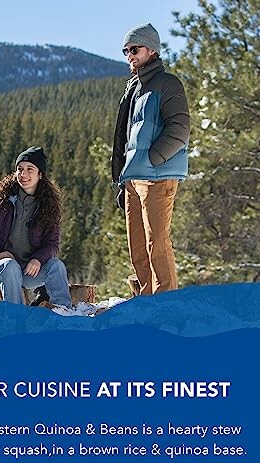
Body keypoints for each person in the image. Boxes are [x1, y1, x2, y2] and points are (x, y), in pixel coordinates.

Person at [111, 23, 190, 295]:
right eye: (126, 51)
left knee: (157, 243)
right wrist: (124, 175)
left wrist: (154, 160)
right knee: (138, 248)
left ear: (152, 50)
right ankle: (147, 304)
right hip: (133, 178)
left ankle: (166, 304)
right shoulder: (135, 88)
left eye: (135, 49)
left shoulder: (167, 84)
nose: (129, 55)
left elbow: (180, 129)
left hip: (156, 177)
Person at [0, 146, 72, 308]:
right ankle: (16, 318)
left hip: (27, 270)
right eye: (20, 169)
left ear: (40, 175)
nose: (23, 174)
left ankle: (64, 314)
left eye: (30, 169)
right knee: (9, 266)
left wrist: (38, 259)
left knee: (56, 266)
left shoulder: (48, 205)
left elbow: (52, 243)